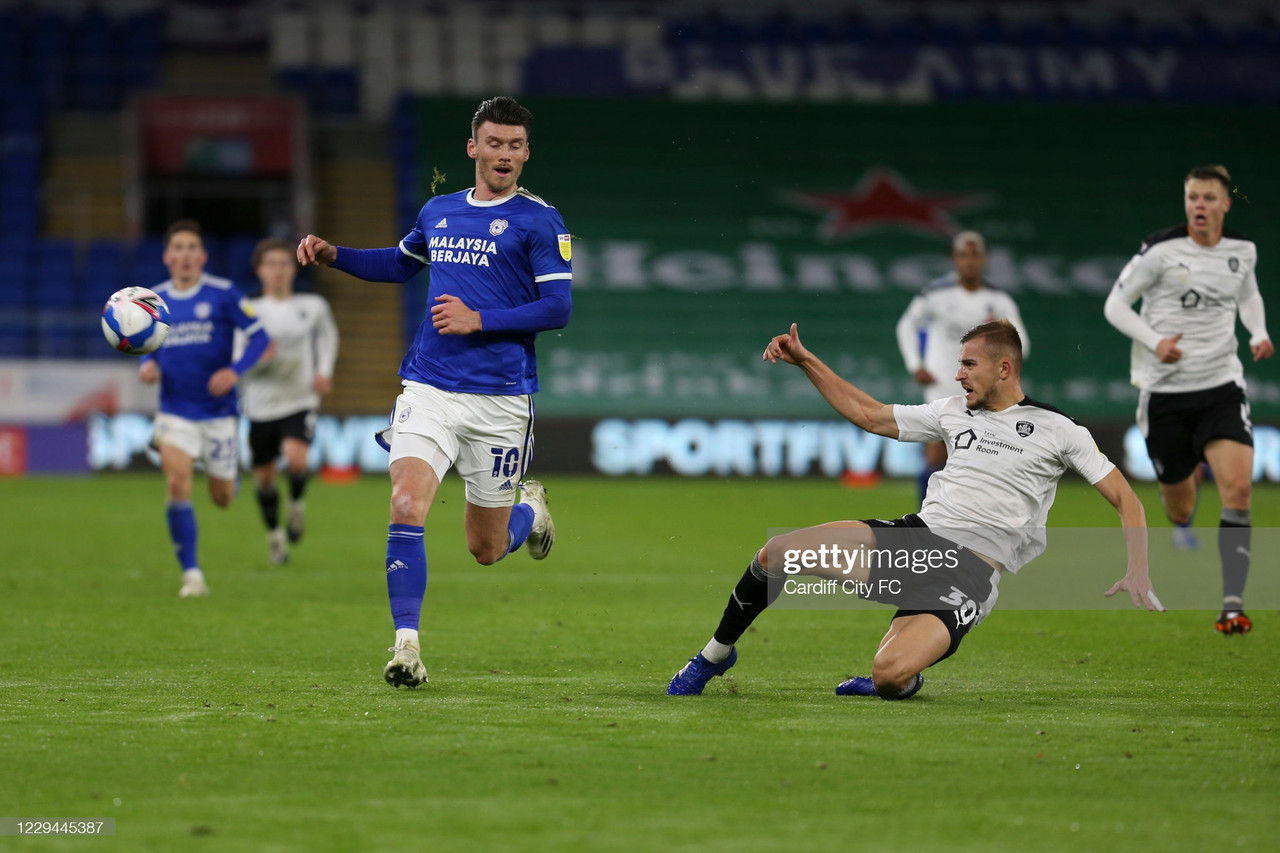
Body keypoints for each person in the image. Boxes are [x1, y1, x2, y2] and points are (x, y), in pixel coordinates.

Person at [667, 320, 1161, 699]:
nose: (958, 373)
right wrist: (806, 360)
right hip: (915, 542)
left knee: (888, 675)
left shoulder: (1058, 429)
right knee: (777, 553)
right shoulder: (951, 411)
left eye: (969, 364)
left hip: (968, 575)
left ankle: (902, 677)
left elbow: (1125, 497)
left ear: (1003, 368)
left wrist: (1137, 568)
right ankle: (713, 656)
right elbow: (869, 414)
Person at [296, 96, 570, 688]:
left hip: (500, 399)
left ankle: (532, 509)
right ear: (473, 148)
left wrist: (480, 319)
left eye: (515, 146)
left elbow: (558, 308)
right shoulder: (439, 211)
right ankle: (407, 647)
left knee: (487, 548)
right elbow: (399, 265)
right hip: (430, 387)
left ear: (526, 153)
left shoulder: (541, 221)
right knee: (404, 505)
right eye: (493, 143)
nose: (504, 155)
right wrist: (334, 255)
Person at [1104, 164, 1272, 635]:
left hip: (1221, 387)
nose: (1199, 205)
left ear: (1224, 204)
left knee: (1238, 491)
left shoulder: (1242, 250)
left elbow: (1249, 294)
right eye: (1192, 197)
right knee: (1180, 508)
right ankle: (1182, 477)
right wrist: (1154, 339)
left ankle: (1232, 606)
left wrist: (1257, 331)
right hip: (1165, 395)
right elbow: (1114, 305)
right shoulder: (1160, 250)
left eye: (1207, 198)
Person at [139, 219, 272, 597]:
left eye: (191, 247)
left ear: (202, 256)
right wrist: (146, 365)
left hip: (219, 413)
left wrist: (235, 370)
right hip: (174, 411)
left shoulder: (223, 293)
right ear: (167, 256)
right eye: (177, 247)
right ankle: (192, 575)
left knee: (223, 498)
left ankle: (228, 475)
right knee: (177, 482)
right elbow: (143, 343)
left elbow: (261, 336)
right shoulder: (153, 301)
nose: (184, 254)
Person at [895, 231, 1029, 505]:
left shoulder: (998, 299)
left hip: (982, 390)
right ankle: (925, 521)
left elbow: (1021, 343)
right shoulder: (936, 293)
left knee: (982, 455)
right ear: (954, 259)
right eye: (963, 255)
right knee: (936, 453)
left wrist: (1001, 340)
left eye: (975, 254)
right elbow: (906, 325)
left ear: (985, 258)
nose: (970, 261)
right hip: (942, 384)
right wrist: (915, 364)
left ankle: (974, 520)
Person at [241, 237, 340, 565]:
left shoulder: (312, 306)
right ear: (259, 271)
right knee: (265, 478)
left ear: (294, 268)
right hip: (259, 404)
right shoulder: (247, 312)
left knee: (297, 460)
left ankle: (296, 504)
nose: (278, 271)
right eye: (271, 265)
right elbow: (234, 361)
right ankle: (275, 536)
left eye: (283, 264)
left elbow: (328, 336)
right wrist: (258, 359)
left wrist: (324, 370)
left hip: (300, 399)